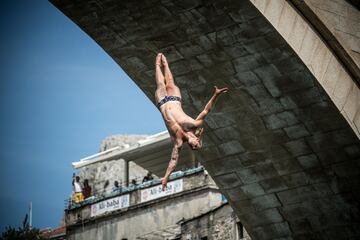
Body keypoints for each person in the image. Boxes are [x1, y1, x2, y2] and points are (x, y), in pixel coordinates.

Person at [154, 53, 228, 190]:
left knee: (160, 84)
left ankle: (157, 65)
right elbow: (206, 111)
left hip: (163, 103)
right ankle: (166, 64)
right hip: (174, 100)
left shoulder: (179, 141)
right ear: (197, 138)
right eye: (196, 145)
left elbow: (173, 161)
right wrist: (215, 95)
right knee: (170, 83)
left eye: (194, 147)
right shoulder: (194, 125)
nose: (193, 147)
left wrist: (166, 177)